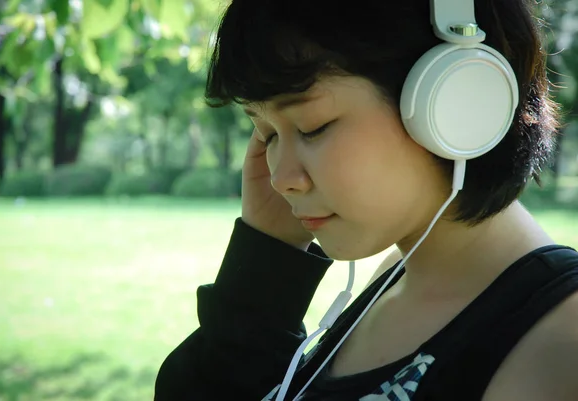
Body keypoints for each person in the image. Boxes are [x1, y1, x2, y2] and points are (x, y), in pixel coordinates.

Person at [154, 0, 578, 400]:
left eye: (312, 127)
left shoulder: (561, 344)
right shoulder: (392, 278)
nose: (280, 179)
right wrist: (265, 267)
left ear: (456, 100)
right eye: (267, 134)